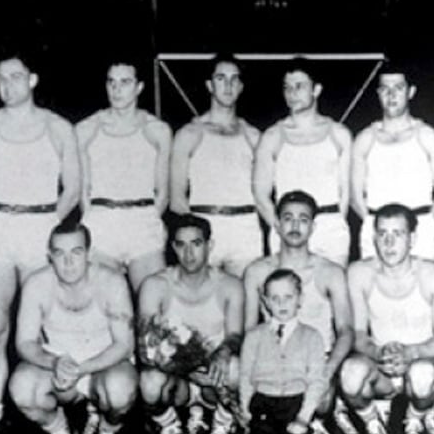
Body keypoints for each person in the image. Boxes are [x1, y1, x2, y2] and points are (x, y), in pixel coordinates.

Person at [0, 55, 81, 434]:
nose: (8, 85)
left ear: (32, 79)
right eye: (1, 79)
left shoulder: (58, 128)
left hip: (41, 228)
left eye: (16, 78)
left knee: (48, 327)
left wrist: (47, 226)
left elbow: (73, 190)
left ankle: (64, 409)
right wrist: (3, 218)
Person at [9, 221, 137, 434]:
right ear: (50, 257)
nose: (68, 263)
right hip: (59, 368)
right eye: (59, 254)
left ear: (90, 254)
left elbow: (124, 345)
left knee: (119, 391)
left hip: (103, 366)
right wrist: (54, 362)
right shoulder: (37, 284)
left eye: (76, 253)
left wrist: (83, 368)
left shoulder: (111, 282)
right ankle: (59, 431)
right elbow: (24, 343)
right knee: (22, 388)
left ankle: (107, 430)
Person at [243, 190, 356, 434]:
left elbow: (346, 330)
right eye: (288, 218)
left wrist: (328, 370)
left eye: (303, 219)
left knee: (321, 397)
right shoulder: (257, 272)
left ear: (313, 226)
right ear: (277, 224)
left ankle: (320, 415)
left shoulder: (330, 272)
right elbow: (250, 330)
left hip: (316, 361)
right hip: (272, 361)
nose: (295, 226)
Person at [339, 204, 434, 434]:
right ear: (374, 237)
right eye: (382, 234)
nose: (389, 243)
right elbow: (357, 335)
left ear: (412, 239)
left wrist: (411, 353)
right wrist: (378, 354)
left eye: (397, 234)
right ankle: (373, 424)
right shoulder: (359, 273)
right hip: (383, 369)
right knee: (350, 373)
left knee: (422, 376)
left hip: (422, 364)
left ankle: (417, 416)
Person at [137, 215, 245, 434]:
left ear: (210, 245)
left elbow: (236, 335)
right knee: (149, 381)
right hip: (179, 381)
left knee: (236, 366)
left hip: (214, 382)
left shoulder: (230, 285)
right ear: (173, 247)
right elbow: (145, 349)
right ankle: (169, 425)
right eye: (181, 244)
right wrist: (187, 367)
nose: (189, 253)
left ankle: (222, 425)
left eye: (196, 243)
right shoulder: (155, 285)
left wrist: (223, 352)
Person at [77, 60, 172, 290]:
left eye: (125, 82)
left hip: (142, 223)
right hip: (102, 222)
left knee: (153, 307)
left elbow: (163, 192)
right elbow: (83, 190)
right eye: (111, 82)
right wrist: (93, 220)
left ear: (139, 87)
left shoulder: (157, 130)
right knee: (102, 306)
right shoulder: (86, 129)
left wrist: (149, 220)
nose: (116, 89)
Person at [253, 60, 353, 266]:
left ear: (316, 89)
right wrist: (282, 226)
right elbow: (261, 195)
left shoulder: (339, 134)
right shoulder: (272, 136)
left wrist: (335, 222)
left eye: (299, 86)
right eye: (287, 88)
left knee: (331, 294)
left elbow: (345, 191)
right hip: (289, 230)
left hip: (330, 229)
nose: (292, 93)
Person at [170, 55, 262, 278]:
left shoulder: (253, 136)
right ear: (210, 85)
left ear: (240, 87)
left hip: (245, 230)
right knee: (204, 304)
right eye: (221, 79)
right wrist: (196, 235)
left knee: (245, 304)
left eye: (234, 80)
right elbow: (176, 199)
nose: (228, 86)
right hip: (206, 226)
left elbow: (263, 192)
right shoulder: (190, 134)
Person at [351, 68, 434, 261]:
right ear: (378, 93)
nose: (391, 95)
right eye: (385, 89)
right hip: (377, 233)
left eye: (398, 88)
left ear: (410, 92)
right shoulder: (365, 138)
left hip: (421, 234)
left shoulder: (428, 136)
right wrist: (378, 227)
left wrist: (420, 227)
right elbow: (355, 198)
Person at [240, 269, 327, 434]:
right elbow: (245, 377)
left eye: (288, 297)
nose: (282, 304)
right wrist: (245, 414)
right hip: (263, 408)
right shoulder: (254, 336)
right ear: (266, 301)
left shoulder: (312, 336)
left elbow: (316, 381)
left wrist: (304, 418)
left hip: (294, 408)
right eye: (275, 298)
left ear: (300, 298)